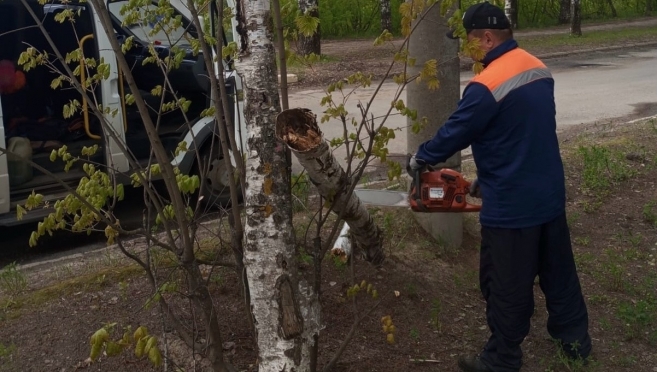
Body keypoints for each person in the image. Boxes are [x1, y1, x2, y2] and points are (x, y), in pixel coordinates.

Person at [408, 2, 592, 371]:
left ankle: (501, 359)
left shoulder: (486, 85)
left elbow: (456, 132)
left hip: (512, 206)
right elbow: (521, 136)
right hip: (548, 193)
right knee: (558, 272)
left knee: (504, 283)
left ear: (487, 38)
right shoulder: (537, 68)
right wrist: (483, 180)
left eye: (469, 43)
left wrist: (421, 158)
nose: (465, 52)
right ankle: (575, 343)